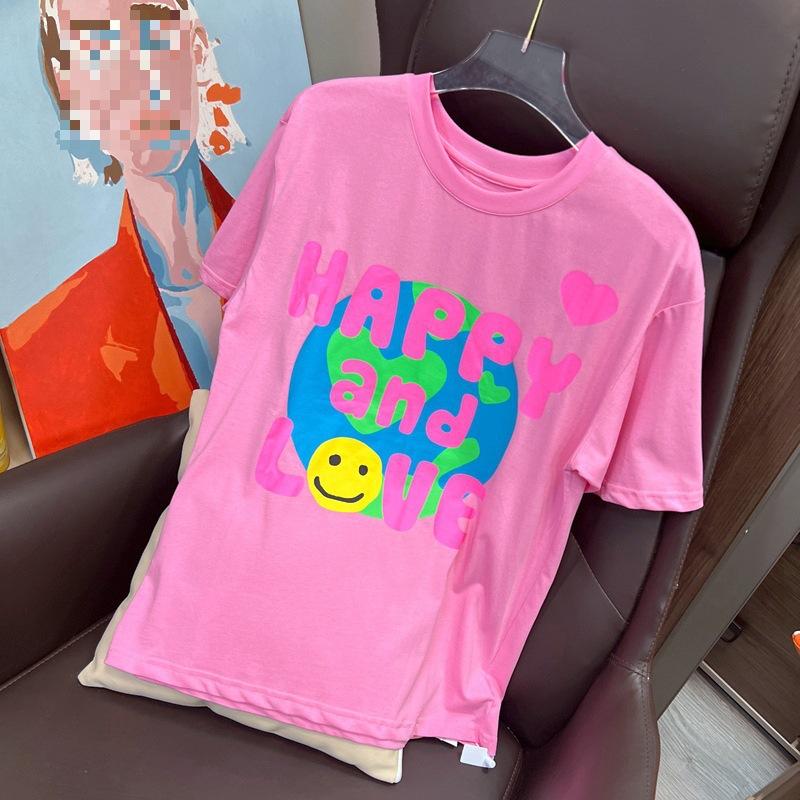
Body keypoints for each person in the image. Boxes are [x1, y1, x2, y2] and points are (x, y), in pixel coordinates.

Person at [0, 0, 246, 456]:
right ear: (68, 86)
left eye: (152, 32)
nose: (137, 79)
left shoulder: (308, 250)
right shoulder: (42, 342)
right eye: (98, 50)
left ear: (194, 48)